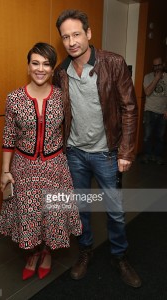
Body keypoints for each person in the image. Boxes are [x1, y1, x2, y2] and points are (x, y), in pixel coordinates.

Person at [53, 9, 142, 288]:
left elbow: (129, 108)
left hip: (106, 154)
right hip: (75, 154)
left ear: (89, 33)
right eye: (65, 37)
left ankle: (120, 256)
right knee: (81, 208)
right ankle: (85, 251)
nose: (71, 41)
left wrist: (126, 152)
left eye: (76, 34)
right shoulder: (61, 73)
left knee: (114, 210)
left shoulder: (113, 63)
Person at [0, 42, 82, 281]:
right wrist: (5, 171)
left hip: (55, 167)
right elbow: (8, 136)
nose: (40, 69)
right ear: (28, 66)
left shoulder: (62, 98)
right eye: (35, 63)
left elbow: (73, 128)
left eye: (46, 64)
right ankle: (32, 254)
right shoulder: (14, 98)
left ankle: (46, 254)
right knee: (30, 214)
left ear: (53, 69)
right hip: (24, 167)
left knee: (52, 215)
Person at [141, 57, 167, 165]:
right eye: (155, 65)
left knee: (160, 137)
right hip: (149, 111)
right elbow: (147, 92)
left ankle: (157, 156)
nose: (157, 67)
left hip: (163, 112)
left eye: (159, 65)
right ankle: (147, 155)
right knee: (147, 136)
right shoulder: (148, 77)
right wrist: (156, 78)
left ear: (163, 65)